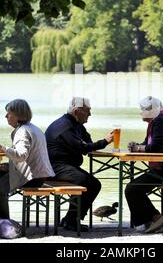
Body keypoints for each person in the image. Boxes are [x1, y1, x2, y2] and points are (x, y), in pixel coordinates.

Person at [45, 97, 113, 232]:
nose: (90, 114)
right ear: (77, 111)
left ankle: (70, 219)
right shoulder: (64, 126)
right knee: (84, 181)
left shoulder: (75, 124)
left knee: (93, 183)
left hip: (65, 165)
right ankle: (71, 220)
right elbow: (82, 148)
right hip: (54, 166)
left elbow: (87, 143)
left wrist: (89, 139)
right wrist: (104, 141)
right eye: (88, 111)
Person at [125, 96, 163, 233]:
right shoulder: (157, 122)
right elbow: (148, 144)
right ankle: (153, 218)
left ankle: (154, 218)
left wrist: (138, 149)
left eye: (143, 109)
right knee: (135, 188)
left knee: (132, 189)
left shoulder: (160, 122)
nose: (141, 112)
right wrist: (138, 145)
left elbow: (156, 147)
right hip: (161, 168)